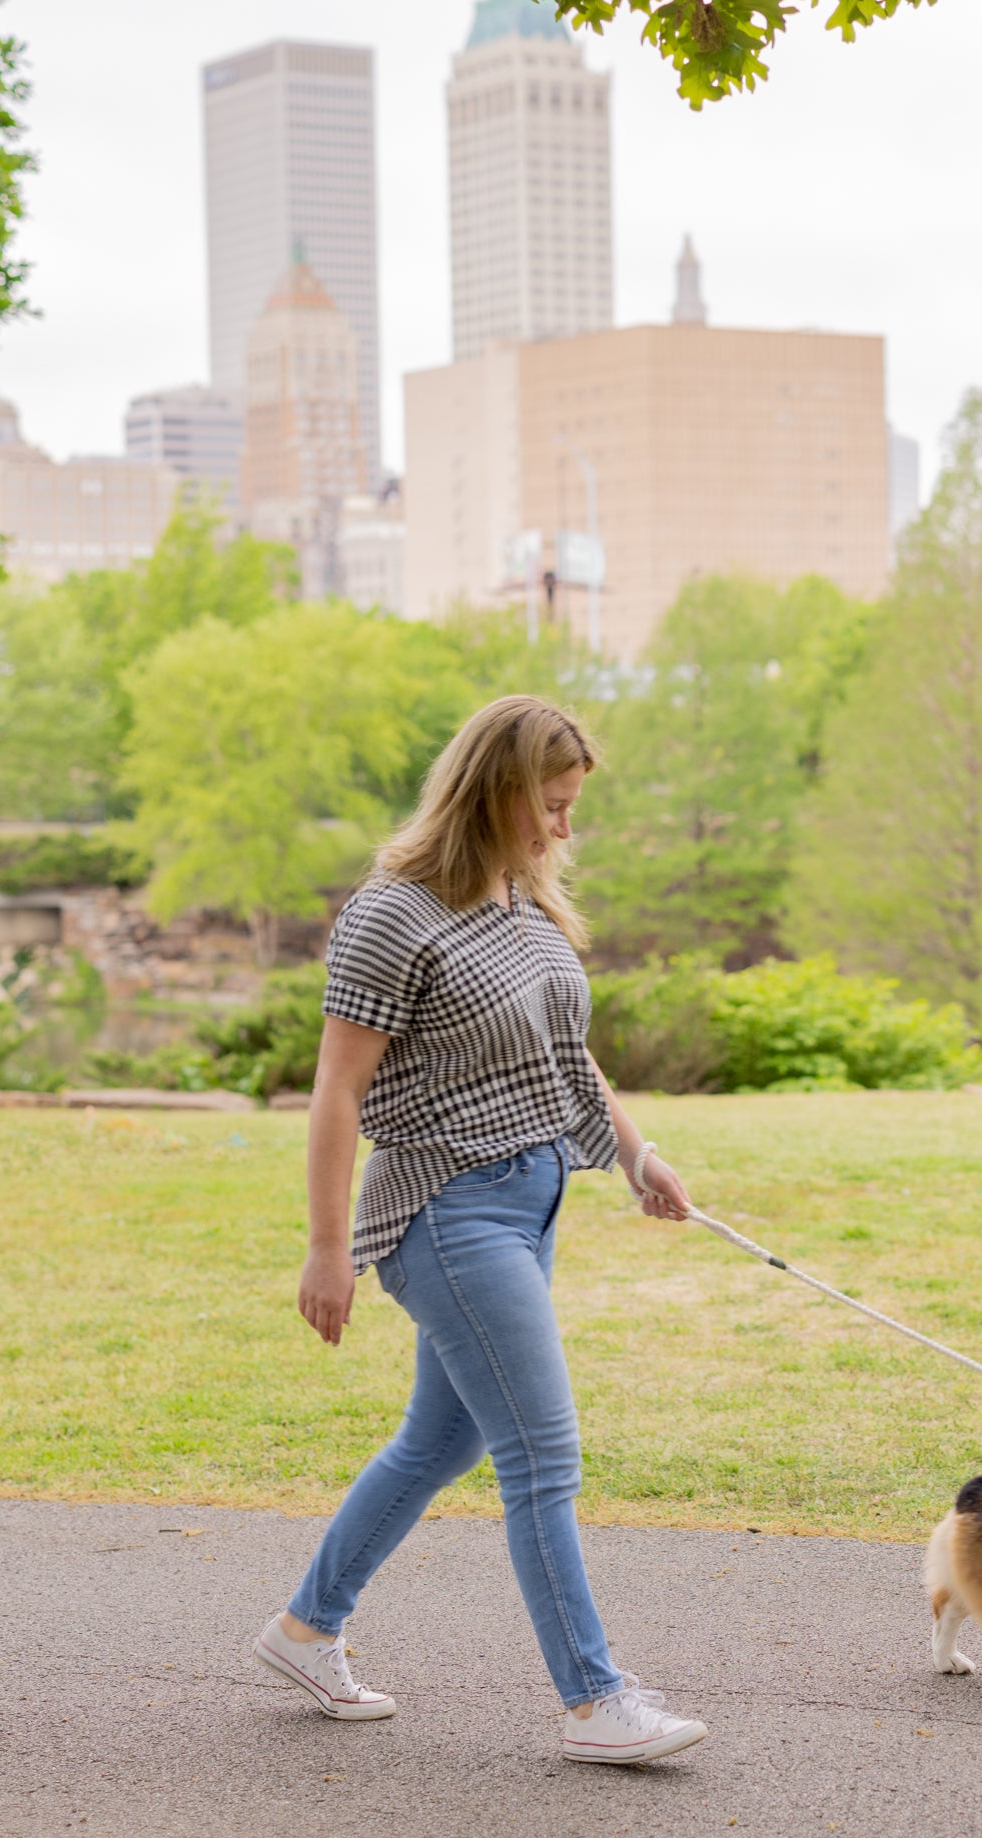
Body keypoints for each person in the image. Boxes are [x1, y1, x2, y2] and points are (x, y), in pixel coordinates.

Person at [250, 695, 708, 1766]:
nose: (561, 830)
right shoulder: (393, 913)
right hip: (446, 1214)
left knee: (441, 1439)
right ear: (493, 792)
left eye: (571, 811)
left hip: (533, 1198)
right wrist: (327, 1249)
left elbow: (567, 1053)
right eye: (549, 807)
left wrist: (638, 1155)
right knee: (542, 1455)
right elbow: (334, 1092)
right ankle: (595, 1700)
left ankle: (304, 1629)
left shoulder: (521, 900)